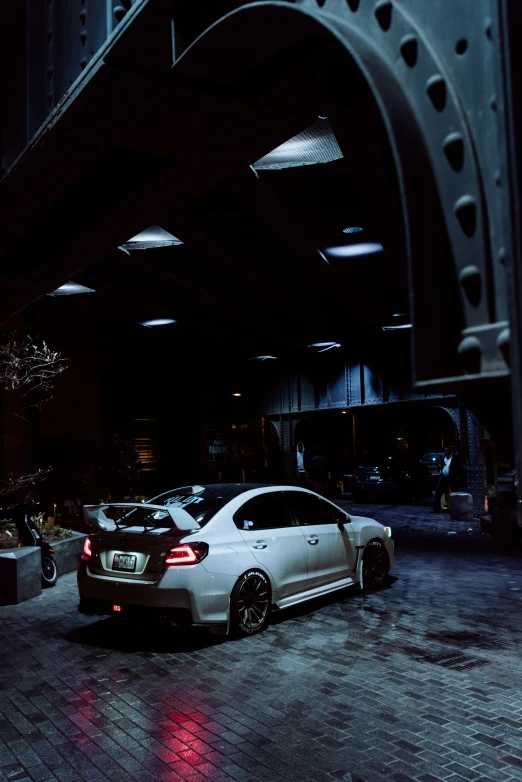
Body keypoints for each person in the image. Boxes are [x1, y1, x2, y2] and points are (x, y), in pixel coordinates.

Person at [433, 446, 454, 512]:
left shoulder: (452, 459)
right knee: (438, 492)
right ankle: (436, 508)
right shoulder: (443, 459)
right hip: (443, 477)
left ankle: (453, 508)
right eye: (445, 450)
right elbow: (440, 467)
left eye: (447, 450)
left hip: (450, 478)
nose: (445, 452)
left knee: (452, 492)